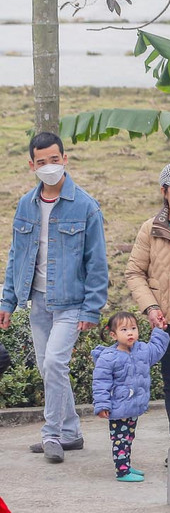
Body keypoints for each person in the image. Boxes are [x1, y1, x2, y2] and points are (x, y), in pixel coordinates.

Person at [0, 132, 108, 465]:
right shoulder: (25, 204)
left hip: (71, 303)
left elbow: (97, 262)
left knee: (54, 364)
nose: (49, 166)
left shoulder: (85, 205)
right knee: (51, 371)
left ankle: (51, 433)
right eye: (42, 161)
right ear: (32, 165)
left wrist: (92, 307)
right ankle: (72, 433)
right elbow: (16, 255)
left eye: (55, 159)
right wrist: (6, 302)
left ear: (65, 159)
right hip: (37, 301)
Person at [123, 161, 170, 447]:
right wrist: (151, 307)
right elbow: (134, 272)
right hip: (167, 315)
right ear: (164, 191)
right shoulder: (151, 229)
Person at [91, 311, 169, 482]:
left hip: (133, 406)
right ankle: (122, 472)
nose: (130, 333)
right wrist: (102, 405)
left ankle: (125, 464)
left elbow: (157, 350)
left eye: (133, 328)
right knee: (120, 440)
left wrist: (159, 331)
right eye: (124, 329)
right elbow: (100, 383)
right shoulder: (108, 357)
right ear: (113, 335)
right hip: (118, 408)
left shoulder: (141, 350)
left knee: (128, 437)